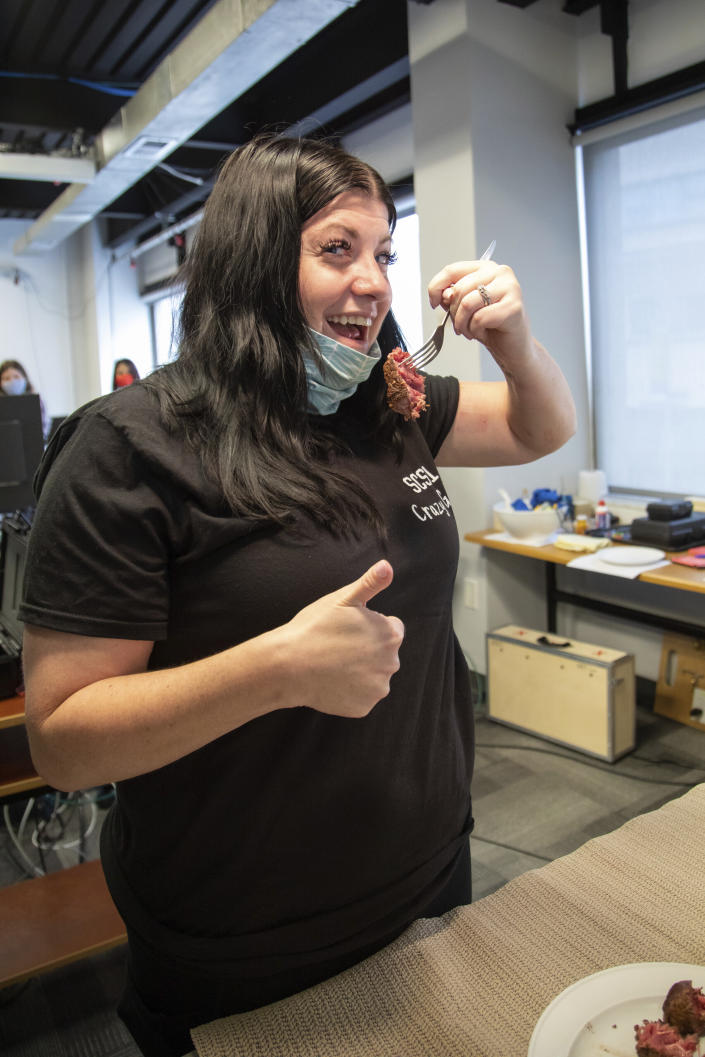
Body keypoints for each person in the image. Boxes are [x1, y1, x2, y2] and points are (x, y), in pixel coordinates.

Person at [19, 134, 576, 1056]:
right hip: (243, 936)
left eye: (383, 252)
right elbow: (66, 741)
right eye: (336, 249)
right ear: (253, 259)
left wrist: (515, 342)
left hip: (429, 874)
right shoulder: (129, 448)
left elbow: (535, 426)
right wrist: (270, 669)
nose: (374, 281)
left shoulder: (388, 403)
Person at [0, 358, 50, 440]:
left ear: (25, 378)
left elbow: (44, 428)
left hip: (34, 445)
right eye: (6, 378)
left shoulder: (37, 401)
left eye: (16, 376)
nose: (12, 381)